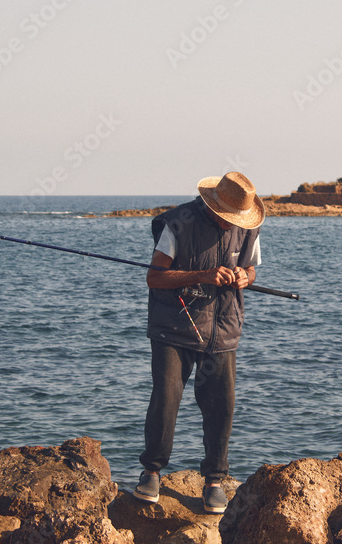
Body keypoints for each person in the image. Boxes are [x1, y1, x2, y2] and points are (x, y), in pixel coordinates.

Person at [133, 171, 263, 514]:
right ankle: (151, 472)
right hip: (173, 329)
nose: (230, 224)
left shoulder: (248, 229)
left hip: (223, 330)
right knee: (166, 399)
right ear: (213, 206)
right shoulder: (178, 224)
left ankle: (215, 481)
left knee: (222, 405)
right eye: (227, 218)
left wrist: (242, 278)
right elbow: (154, 277)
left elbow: (251, 270)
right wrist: (203, 275)